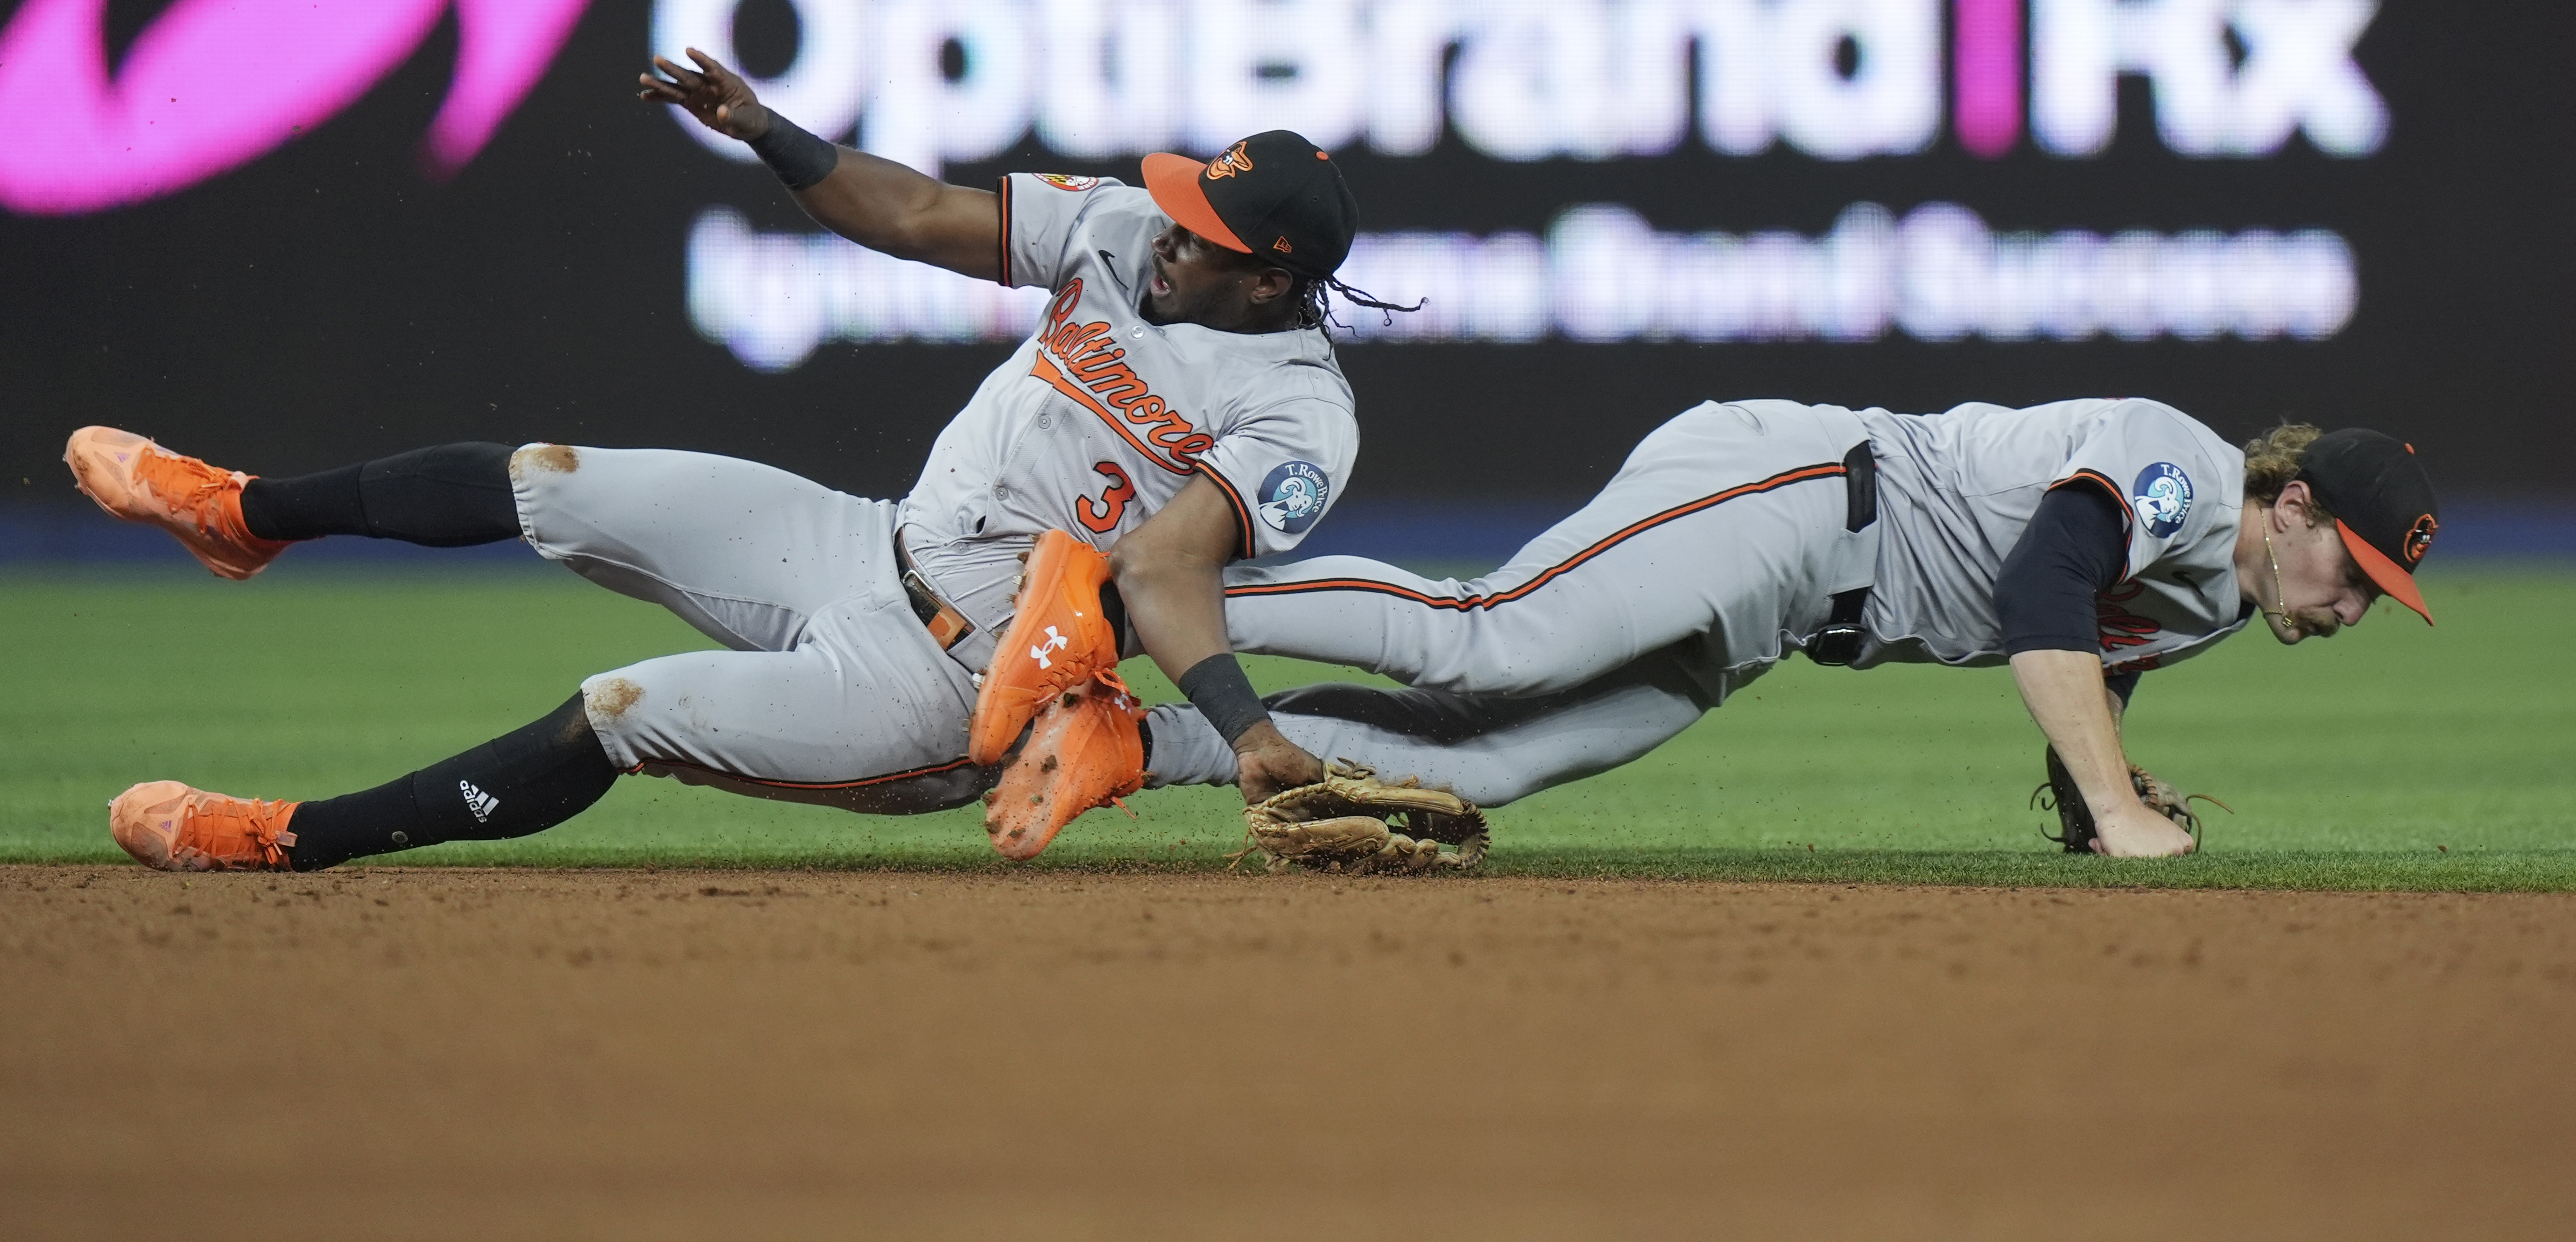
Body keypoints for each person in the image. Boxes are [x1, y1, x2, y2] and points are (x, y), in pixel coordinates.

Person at [76, 50, 1380, 873]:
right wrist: (768, 131)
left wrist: (1244, 729)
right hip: (857, 540)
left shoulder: (1297, 414)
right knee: (549, 475)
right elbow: (919, 214)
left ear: (1271, 278)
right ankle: (241, 514)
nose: (1173, 233)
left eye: (1207, 235)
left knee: (619, 709)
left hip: (947, 686)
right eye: (1184, 205)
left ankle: (287, 838)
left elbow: (1162, 565)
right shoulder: (1121, 225)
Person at [1008, 398, 2439, 857]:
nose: (2351, 600)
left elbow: (2092, 677)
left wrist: (2095, 794)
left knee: (1492, 760)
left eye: (2377, 591)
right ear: (2292, 499)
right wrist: (2123, 812)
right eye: (2353, 565)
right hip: (1795, 496)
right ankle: (1148, 589)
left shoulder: (2212, 604)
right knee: (1488, 633)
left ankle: (1127, 741)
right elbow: (2039, 595)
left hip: (1785, 619)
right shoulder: (2178, 467)